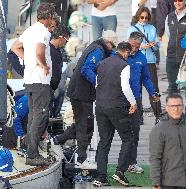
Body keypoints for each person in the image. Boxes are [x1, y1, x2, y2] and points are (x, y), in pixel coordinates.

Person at [51, 30, 117, 169]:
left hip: (82, 92)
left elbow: (110, 55)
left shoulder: (100, 47)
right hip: (80, 92)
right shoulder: (98, 50)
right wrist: (99, 83)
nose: (113, 48)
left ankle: (57, 140)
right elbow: (86, 69)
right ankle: (81, 159)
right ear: (107, 42)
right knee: (84, 125)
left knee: (86, 124)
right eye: (113, 45)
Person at [11, 2, 56, 166]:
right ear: (49, 17)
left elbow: (15, 47)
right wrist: (43, 65)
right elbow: (39, 51)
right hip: (40, 81)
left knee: (32, 117)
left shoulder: (29, 29)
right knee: (40, 116)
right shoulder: (43, 31)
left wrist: (27, 60)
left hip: (29, 80)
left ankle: (26, 147)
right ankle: (32, 154)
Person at [93, 42, 137, 187]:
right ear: (126, 52)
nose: (129, 57)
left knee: (104, 141)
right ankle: (120, 172)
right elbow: (125, 87)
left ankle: (101, 176)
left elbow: (96, 84)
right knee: (128, 138)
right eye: (129, 54)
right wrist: (133, 103)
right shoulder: (125, 65)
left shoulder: (102, 63)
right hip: (116, 106)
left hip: (100, 106)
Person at [150, 93, 186, 189]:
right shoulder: (158, 129)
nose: (176, 109)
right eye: (172, 106)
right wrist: (156, 183)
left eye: (179, 105)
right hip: (167, 182)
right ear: (167, 108)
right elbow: (155, 158)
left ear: (183, 107)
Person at [127, 31, 160, 174]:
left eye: (138, 47)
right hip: (120, 100)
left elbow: (146, 78)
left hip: (136, 99)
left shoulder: (141, 57)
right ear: (128, 42)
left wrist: (153, 92)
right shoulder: (120, 53)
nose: (134, 49)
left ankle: (131, 163)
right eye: (133, 46)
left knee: (135, 133)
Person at [127, 7, 162, 123]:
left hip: (150, 61)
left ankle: (158, 115)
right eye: (142, 17)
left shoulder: (152, 28)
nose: (144, 19)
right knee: (137, 89)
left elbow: (158, 45)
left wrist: (154, 44)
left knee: (153, 88)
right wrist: (141, 46)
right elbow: (128, 44)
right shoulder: (132, 28)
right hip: (136, 60)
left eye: (146, 17)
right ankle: (138, 115)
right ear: (138, 16)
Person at [164, 0, 186, 94]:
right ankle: (173, 108)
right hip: (171, 55)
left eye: (180, 0)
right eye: (175, 1)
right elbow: (168, 36)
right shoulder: (169, 16)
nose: (177, 3)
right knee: (172, 87)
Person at [49, 24, 70, 117]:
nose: (66, 43)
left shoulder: (58, 50)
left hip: (54, 85)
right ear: (61, 37)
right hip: (47, 87)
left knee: (61, 91)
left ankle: (55, 114)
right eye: (66, 40)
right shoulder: (48, 50)